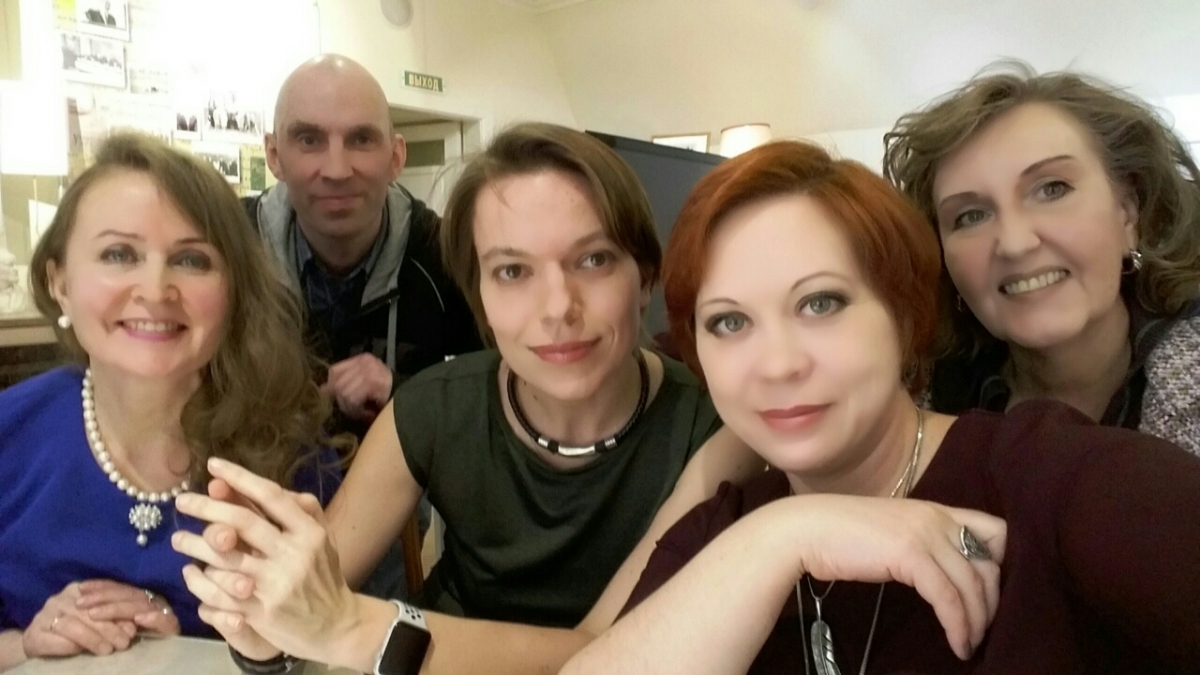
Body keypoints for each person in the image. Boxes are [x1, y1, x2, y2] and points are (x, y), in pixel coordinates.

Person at [559, 141, 1200, 674]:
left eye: (820, 304)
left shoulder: (1054, 479)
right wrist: (783, 537)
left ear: (902, 313)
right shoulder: (718, 534)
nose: (777, 365)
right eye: (729, 322)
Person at [170, 123, 764, 674]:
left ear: (646, 278)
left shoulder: (714, 428)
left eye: (594, 260)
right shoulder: (434, 407)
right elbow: (305, 606)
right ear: (477, 295)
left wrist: (353, 627)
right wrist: (258, 619)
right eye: (512, 272)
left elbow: (602, 650)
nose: (558, 307)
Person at [0, 133, 343, 672]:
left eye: (190, 259)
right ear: (59, 282)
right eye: (119, 254)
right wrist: (26, 645)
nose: (156, 290)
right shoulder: (9, 433)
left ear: (234, 291)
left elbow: (341, 649)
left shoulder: (293, 456)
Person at [883, 63, 1200, 454]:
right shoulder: (909, 407)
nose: (1015, 244)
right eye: (971, 216)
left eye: (1052, 189)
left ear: (1128, 214)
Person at [244, 54, 481, 441]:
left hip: (400, 480)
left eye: (361, 140)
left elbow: (505, 396)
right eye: (309, 140)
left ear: (395, 157)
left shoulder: (448, 257)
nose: (337, 170)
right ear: (274, 156)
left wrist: (402, 392)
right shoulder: (230, 250)